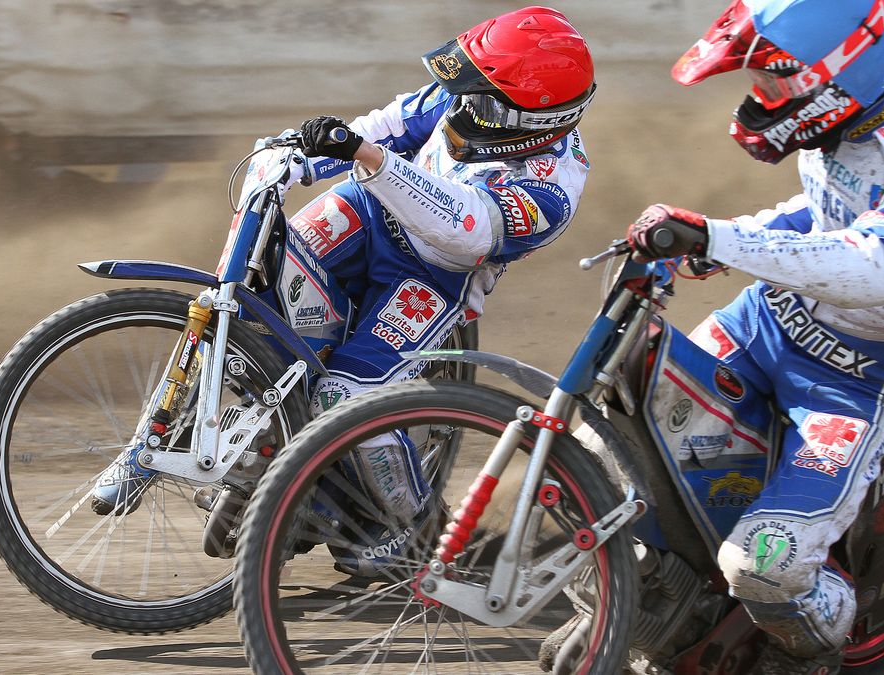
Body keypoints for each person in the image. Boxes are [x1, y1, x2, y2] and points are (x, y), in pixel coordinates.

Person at [86, 7, 595, 570]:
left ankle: (420, 533)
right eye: (465, 85)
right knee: (260, 292)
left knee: (343, 398)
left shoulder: (553, 188)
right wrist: (297, 156)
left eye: (479, 97)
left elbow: (464, 230)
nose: (460, 103)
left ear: (527, 118)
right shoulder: (462, 98)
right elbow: (384, 126)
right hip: (368, 207)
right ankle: (218, 438)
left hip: (431, 277)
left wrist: (367, 158)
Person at [623, 0, 884, 672]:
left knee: (762, 565)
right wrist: (709, 248)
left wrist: (721, 236)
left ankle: (809, 651)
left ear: (845, 69)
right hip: (766, 320)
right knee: (625, 427)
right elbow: (823, 212)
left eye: (777, 83)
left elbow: (878, 266)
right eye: (759, 82)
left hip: (863, 378)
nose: (763, 98)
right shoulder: (848, 117)